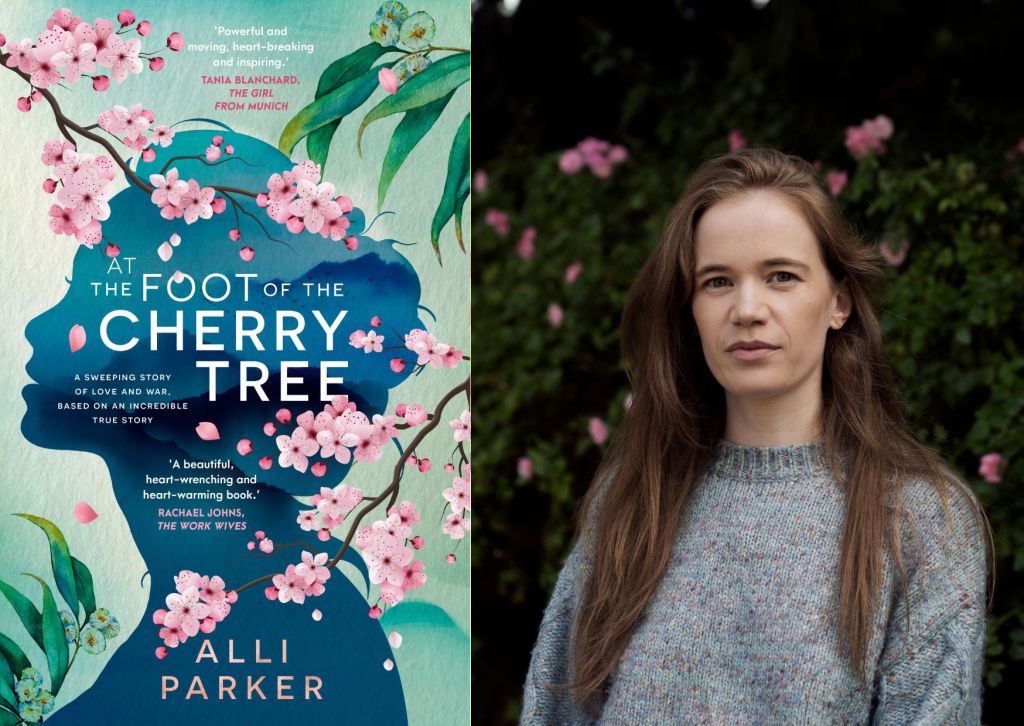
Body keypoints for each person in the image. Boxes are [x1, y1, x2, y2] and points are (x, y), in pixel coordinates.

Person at [519, 148, 994, 724]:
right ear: (689, 308)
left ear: (838, 302)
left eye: (781, 277)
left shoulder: (919, 517)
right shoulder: (633, 497)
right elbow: (555, 709)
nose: (747, 309)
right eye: (717, 281)